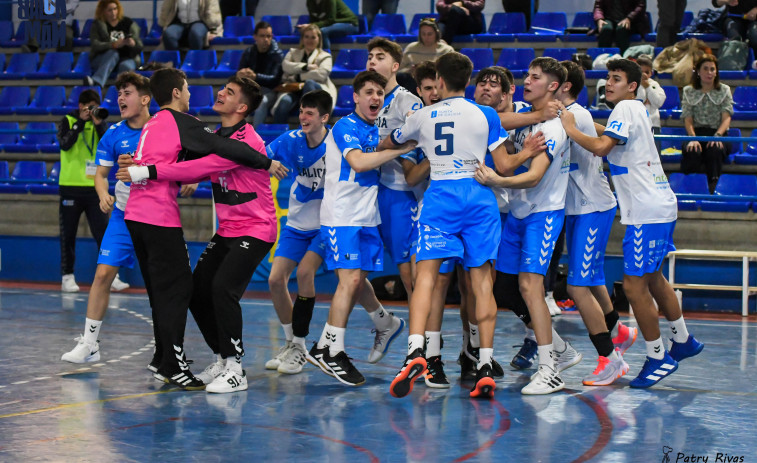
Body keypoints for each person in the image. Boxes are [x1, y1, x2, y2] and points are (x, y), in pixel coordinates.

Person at [122, 68, 286, 390]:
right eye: (223, 88)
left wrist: (149, 172)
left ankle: (236, 369)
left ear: (241, 108)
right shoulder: (215, 137)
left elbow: (203, 165)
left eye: (229, 92)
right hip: (228, 229)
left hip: (256, 228)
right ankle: (223, 358)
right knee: (196, 291)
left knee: (223, 287)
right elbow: (183, 158)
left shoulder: (246, 139)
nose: (220, 93)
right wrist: (156, 168)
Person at [385, 52, 536, 400]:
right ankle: (484, 364)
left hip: (440, 195)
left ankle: (415, 352)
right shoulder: (485, 114)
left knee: (425, 277)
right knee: (482, 282)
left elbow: (390, 141)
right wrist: (526, 151)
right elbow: (504, 164)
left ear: (438, 81)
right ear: (468, 81)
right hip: (478, 195)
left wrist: (401, 138)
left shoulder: (422, 116)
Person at [557, 58, 704, 389]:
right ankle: (682, 339)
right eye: (608, 77)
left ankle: (657, 357)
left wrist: (569, 127)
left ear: (632, 86)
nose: (609, 83)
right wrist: (577, 121)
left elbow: (601, 147)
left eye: (617, 78)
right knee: (653, 279)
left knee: (635, 286)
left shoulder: (623, 110)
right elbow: (604, 135)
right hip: (659, 205)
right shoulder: (633, 109)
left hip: (646, 211)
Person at [474, 57, 579, 395]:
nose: (528, 80)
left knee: (532, 287)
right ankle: (560, 348)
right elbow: (492, 118)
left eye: (536, 77)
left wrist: (492, 178)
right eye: (528, 75)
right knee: (505, 289)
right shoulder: (526, 116)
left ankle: (550, 368)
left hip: (543, 213)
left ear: (553, 86)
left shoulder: (554, 126)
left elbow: (533, 177)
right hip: (518, 213)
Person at [308, 70, 414, 387]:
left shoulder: (372, 129)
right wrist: (403, 147)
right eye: (368, 92)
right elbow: (359, 163)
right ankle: (332, 350)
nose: (375, 98)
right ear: (355, 97)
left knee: (358, 278)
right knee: (351, 278)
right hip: (342, 216)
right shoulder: (345, 126)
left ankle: (384, 322)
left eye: (380, 93)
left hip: (367, 216)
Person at [61, 72, 153, 363]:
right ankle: (90, 344)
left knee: (161, 284)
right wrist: (103, 194)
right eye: (119, 94)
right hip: (122, 216)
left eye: (127, 93)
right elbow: (101, 175)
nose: (120, 99)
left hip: (155, 217)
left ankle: (168, 347)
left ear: (145, 98)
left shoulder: (162, 129)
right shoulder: (114, 133)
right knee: (102, 275)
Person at [555, 60, 635, 386]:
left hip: (593, 207)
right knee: (591, 277)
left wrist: (573, 128)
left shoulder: (576, 115)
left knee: (576, 285)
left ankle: (609, 359)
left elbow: (597, 141)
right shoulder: (570, 115)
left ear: (563, 87)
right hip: (577, 209)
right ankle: (620, 332)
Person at [265, 90, 332, 375]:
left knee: (305, 274)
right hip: (296, 224)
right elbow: (259, 157)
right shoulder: (291, 140)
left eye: (309, 113)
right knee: (275, 280)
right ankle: (293, 344)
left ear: (324, 118)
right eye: (301, 111)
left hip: (327, 224)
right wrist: (268, 163)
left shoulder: (338, 144)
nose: (303, 117)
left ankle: (300, 346)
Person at [367, 37, 422, 303]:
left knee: (409, 272)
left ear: (394, 66)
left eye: (380, 57)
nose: (372, 61)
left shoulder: (407, 101)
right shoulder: (367, 102)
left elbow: (416, 138)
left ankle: (420, 335)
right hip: (373, 190)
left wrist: (382, 146)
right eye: (370, 57)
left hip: (402, 192)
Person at [56, 89, 110, 293]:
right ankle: (67, 276)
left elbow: (108, 143)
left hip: (95, 188)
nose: (92, 110)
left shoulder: (99, 122)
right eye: (89, 106)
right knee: (67, 234)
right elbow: (64, 144)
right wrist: (80, 123)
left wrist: (98, 123)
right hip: (70, 187)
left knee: (103, 234)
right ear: (81, 106)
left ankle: (111, 275)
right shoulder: (68, 120)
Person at [680, 54, 733, 193]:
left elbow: (726, 118)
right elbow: (688, 118)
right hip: (695, 133)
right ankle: (691, 186)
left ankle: (713, 185)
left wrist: (717, 136)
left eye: (712, 69)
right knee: (692, 150)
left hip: (718, 133)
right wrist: (693, 138)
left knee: (714, 149)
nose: (709, 73)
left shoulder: (724, 90)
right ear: (698, 71)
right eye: (705, 69)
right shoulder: (688, 91)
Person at [272, 24, 337, 124]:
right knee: (284, 102)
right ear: (302, 38)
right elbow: (286, 66)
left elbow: (321, 74)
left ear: (319, 39)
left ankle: (308, 128)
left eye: (313, 37)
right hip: (294, 89)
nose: (309, 40)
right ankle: (280, 137)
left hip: (317, 90)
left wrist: (298, 76)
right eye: (306, 37)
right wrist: (306, 67)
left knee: (309, 83)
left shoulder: (325, 56)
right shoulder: (293, 52)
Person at [85, 0, 143, 88]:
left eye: (115, 9)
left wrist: (132, 43)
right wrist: (113, 45)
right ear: (103, 11)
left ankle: (119, 93)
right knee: (113, 54)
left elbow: (139, 46)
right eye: (110, 10)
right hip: (104, 58)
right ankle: (97, 82)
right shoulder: (97, 25)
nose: (113, 12)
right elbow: (95, 45)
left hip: (127, 57)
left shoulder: (128, 23)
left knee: (126, 66)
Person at [238, 21, 284, 128]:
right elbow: (241, 71)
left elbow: (275, 79)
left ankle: (256, 135)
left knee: (261, 101)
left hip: (271, 91)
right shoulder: (249, 52)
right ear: (255, 37)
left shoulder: (277, 54)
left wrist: (255, 76)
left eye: (268, 36)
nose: (266, 39)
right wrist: (241, 74)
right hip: (251, 89)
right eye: (262, 36)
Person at [635, 55, 666, 156]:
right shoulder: (631, 85)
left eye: (647, 72)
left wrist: (647, 87)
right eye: (641, 71)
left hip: (653, 125)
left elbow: (658, 102)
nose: (644, 75)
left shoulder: (654, 85)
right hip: (635, 126)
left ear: (651, 73)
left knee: (654, 160)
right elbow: (636, 102)